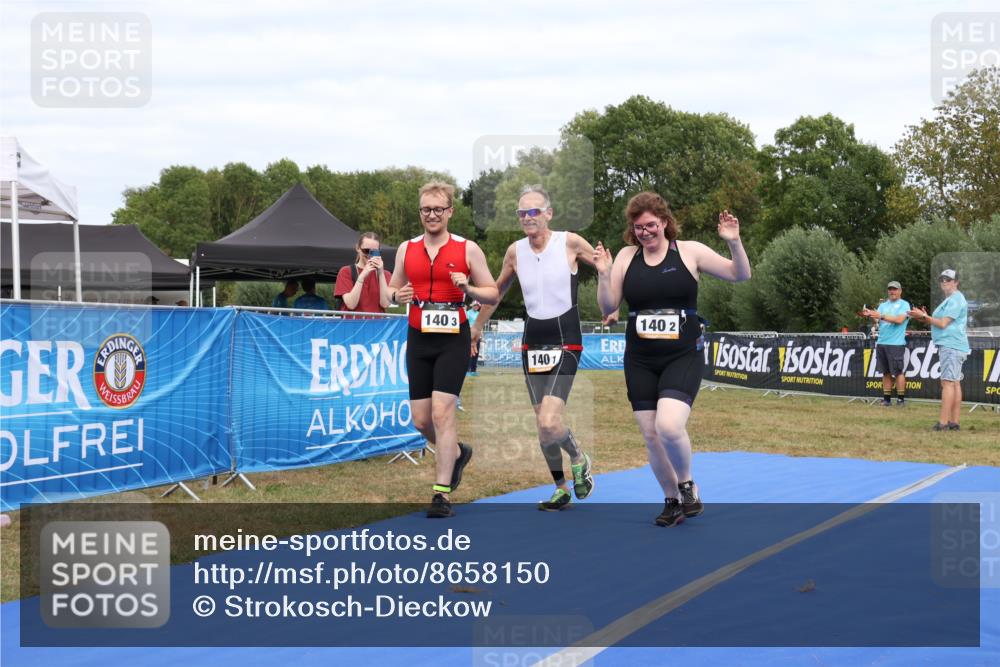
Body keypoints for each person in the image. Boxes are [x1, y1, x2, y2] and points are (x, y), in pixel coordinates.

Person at [594, 192, 751, 527]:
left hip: (683, 354)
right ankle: (671, 500)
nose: (645, 232)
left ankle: (687, 483)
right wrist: (604, 274)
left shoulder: (689, 251)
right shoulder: (625, 256)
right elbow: (608, 307)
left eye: (651, 225)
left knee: (668, 425)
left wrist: (734, 242)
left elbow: (740, 275)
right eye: (638, 227)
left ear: (664, 222)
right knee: (650, 434)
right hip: (640, 358)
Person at [471, 184, 597, 512]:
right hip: (532, 342)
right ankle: (560, 487)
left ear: (548, 214)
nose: (527, 218)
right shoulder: (515, 251)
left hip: (566, 338)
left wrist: (611, 300)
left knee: (550, 422)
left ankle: (579, 457)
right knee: (542, 422)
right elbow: (496, 292)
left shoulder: (569, 242)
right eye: (522, 213)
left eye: (534, 212)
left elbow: (607, 271)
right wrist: (477, 326)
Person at [387, 182, 499, 518]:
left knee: (442, 412)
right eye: (426, 209)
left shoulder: (468, 249)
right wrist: (397, 297)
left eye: (438, 209)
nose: (432, 215)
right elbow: (390, 290)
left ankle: (441, 494)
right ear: (420, 213)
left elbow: (492, 293)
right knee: (421, 421)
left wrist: (469, 288)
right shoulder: (407, 248)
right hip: (419, 336)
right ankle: (457, 452)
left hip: (453, 337)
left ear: (450, 211)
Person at [908, 269, 970, 431]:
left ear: (956, 282)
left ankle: (943, 423)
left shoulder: (956, 299)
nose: (944, 282)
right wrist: (924, 317)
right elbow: (939, 322)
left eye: (948, 280)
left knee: (948, 383)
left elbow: (942, 323)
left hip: (951, 345)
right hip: (954, 345)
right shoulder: (952, 299)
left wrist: (923, 316)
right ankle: (953, 423)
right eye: (942, 279)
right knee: (954, 383)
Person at [861, 281, 911, 406]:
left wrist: (880, 315)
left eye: (894, 289)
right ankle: (887, 399)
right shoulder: (883, 305)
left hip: (896, 343)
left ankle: (900, 400)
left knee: (898, 372)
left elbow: (899, 320)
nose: (892, 292)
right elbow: (877, 320)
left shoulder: (904, 305)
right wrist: (870, 314)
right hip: (882, 342)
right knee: (885, 372)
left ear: (900, 291)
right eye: (890, 289)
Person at [334, 232, 392, 315]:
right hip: (354, 326)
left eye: (374, 252)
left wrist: (381, 273)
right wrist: (362, 276)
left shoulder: (385, 274)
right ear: (358, 248)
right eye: (366, 251)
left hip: (377, 326)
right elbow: (351, 304)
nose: (369, 255)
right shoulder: (346, 271)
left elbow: (385, 304)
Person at [465, 301, 481, 376]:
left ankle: (473, 370)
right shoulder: (468, 313)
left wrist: (481, 334)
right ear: (472, 306)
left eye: (477, 306)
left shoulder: (479, 314)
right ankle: (467, 370)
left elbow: (481, 324)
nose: (476, 307)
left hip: (477, 334)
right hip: (469, 333)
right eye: (475, 305)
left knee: (476, 352)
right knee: (469, 353)